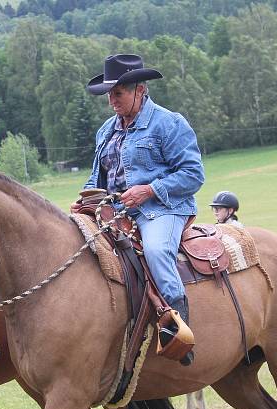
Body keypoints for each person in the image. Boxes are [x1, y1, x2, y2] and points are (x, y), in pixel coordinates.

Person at [84, 54, 205, 364]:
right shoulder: (105, 131)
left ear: (140, 89)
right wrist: (85, 199)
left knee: (155, 251)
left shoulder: (168, 123)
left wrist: (150, 190)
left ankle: (179, 332)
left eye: (118, 93)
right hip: (115, 213)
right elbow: (95, 178)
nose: (112, 99)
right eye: (109, 94)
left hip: (162, 209)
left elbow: (193, 174)